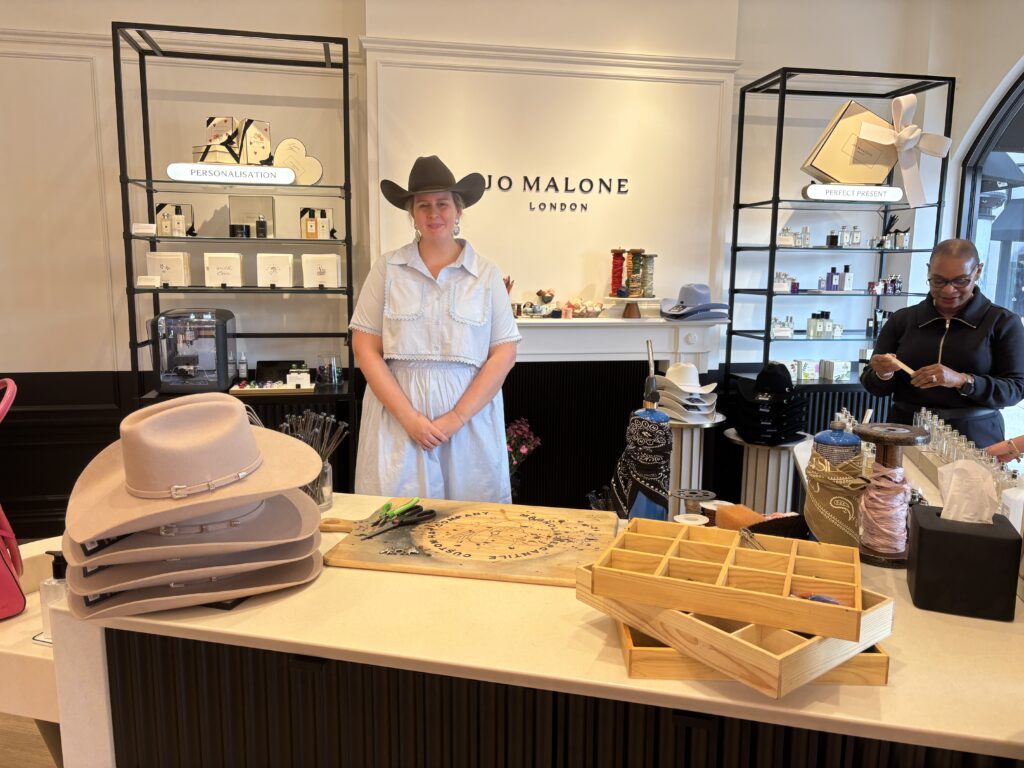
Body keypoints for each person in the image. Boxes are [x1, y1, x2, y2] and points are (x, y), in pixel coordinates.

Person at [349, 155, 521, 502]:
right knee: (396, 520)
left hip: (468, 424)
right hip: (397, 423)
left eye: (443, 203)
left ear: (458, 210)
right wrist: (410, 418)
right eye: (422, 205)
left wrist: (456, 417)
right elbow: (364, 347)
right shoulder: (388, 268)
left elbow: (504, 352)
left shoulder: (485, 274)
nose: (433, 213)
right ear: (412, 214)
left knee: (470, 524)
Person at [861, 238, 1024, 447]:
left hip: (974, 438)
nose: (949, 290)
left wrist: (963, 380)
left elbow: (1016, 389)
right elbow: (874, 385)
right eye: (938, 281)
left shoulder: (1002, 322)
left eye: (961, 281)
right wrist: (883, 373)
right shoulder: (903, 320)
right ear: (928, 272)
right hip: (906, 432)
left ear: (978, 271)